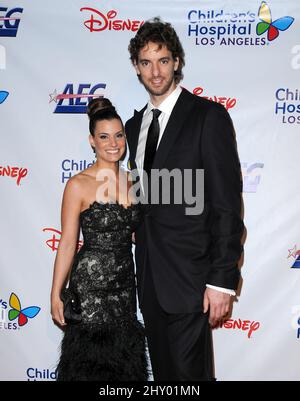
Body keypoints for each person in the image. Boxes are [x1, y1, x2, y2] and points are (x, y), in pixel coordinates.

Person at [125, 18, 244, 381]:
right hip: (148, 279)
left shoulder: (208, 116)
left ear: (176, 61)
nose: (155, 71)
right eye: (146, 62)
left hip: (192, 278)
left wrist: (222, 281)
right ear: (136, 67)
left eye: (163, 60)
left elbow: (226, 204)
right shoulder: (133, 127)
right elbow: (144, 199)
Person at [50, 98, 148, 381]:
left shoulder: (135, 182)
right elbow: (68, 242)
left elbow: (139, 234)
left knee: (124, 370)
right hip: (89, 290)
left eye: (119, 135)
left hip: (125, 291)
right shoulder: (78, 184)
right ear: (92, 141)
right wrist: (56, 292)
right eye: (104, 137)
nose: (113, 143)